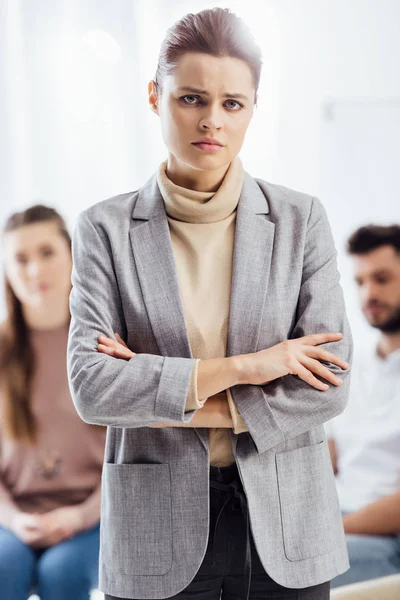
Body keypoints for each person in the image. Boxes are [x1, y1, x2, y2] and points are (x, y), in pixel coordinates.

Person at [67, 8, 352, 600]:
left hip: (289, 528)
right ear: (155, 95)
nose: (212, 122)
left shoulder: (301, 221)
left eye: (232, 104)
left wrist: (157, 389)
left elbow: (327, 385)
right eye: (192, 98)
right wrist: (253, 367)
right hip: (155, 533)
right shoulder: (104, 229)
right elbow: (93, 387)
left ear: (252, 108)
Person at [0, 205, 106, 600]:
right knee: (4, 565)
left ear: (72, 256)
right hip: (12, 518)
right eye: (20, 259)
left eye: (46, 253)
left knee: (61, 573)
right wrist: (13, 519)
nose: (34, 271)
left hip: (95, 516)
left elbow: (133, 454)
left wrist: (80, 516)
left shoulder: (107, 348)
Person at [327, 225, 400, 588]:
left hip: (384, 540)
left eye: (382, 278)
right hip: (338, 520)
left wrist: (322, 531)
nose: (369, 293)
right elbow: (327, 457)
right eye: (360, 282)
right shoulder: (352, 369)